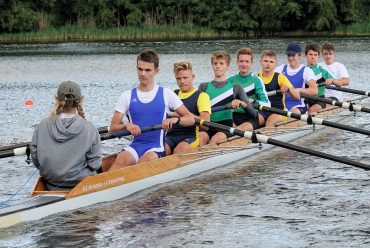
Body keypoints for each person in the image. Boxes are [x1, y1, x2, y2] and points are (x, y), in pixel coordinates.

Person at [109, 49, 194, 171]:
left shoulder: (166, 94)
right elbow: (113, 127)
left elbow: (190, 119)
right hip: (135, 146)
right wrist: (126, 126)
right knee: (121, 160)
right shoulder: (126, 96)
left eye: (147, 70)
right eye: (140, 69)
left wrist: (176, 119)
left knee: (144, 162)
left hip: (156, 147)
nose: (142, 74)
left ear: (156, 71)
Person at [30, 81, 102, 190]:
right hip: (80, 184)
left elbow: (35, 158)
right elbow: (95, 164)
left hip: (51, 183)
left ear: (57, 100)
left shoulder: (42, 125)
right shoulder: (90, 128)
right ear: (80, 100)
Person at [198, 50, 256, 144]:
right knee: (201, 138)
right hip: (207, 125)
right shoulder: (203, 86)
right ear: (212, 65)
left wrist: (242, 104)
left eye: (221, 63)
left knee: (215, 139)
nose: (217, 66)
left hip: (225, 127)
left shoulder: (236, 88)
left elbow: (253, 114)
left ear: (227, 67)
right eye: (215, 63)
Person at [165, 60, 211, 155]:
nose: (182, 81)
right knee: (162, 150)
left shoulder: (202, 96)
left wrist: (182, 116)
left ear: (193, 77)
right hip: (171, 135)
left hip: (191, 135)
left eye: (185, 78)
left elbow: (206, 125)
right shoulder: (173, 94)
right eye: (179, 78)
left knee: (179, 150)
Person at [228, 47, 271, 128]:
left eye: (247, 61)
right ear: (237, 62)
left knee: (238, 130)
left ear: (251, 63)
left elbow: (267, 104)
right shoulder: (230, 80)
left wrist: (254, 101)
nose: (244, 64)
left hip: (252, 115)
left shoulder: (256, 80)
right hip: (234, 115)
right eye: (241, 61)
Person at [258, 50, 300, 126]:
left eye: (271, 62)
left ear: (275, 64)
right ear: (260, 62)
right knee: (255, 120)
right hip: (262, 110)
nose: (268, 64)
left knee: (270, 121)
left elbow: (297, 97)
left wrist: (288, 89)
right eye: (265, 61)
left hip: (279, 111)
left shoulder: (280, 77)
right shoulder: (256, 78)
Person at [275, 43, 317, 114]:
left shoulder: (306, 71)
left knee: (292, 114)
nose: (290, 58)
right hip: (282, 104)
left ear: (299, 56)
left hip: (298, 105)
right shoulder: (281, 68)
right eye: (288, 55)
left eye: (293, 55)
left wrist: (298, 90)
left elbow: (314, 91)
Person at [304, 43, 335, 113]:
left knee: (311, 110)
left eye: (315, 55)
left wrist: (332, 80)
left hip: (320, 99)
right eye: (310, 54)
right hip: (305, 99)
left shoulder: (322, 70)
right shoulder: (302, 70)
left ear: (318, 56)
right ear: (306, 55)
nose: (313, 57)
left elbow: (339, 84)